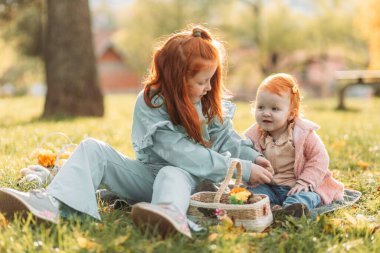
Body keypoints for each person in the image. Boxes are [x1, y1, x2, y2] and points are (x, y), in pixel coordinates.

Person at [0, 25, 273, 238]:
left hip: (190, 183)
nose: (207, 88)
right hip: (148, 177)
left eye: (211, 80)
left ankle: (169, 214)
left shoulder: (207, 104)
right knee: (93, 148)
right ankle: (58, 205)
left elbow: (227, 138)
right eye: (202, 81)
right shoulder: (151, 102)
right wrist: (241, 167)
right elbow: (178, 151)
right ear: (177, 78)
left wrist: (250, 158)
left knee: (173, 172)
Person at [244, 73, 344, 217]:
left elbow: (319, 158)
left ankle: (292, 209)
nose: (266, 113)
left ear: (291, 114)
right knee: (250, 194)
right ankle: (273, 208)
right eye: (261, 107)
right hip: (269, 187)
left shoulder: (302, 134)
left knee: (308, 196)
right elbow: (245, 158)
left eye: (274, 109)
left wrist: (305, 181)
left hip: (297, 186)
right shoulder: (254, 136)